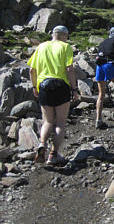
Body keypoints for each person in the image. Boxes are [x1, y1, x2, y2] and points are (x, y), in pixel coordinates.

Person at [28, 25, 79, 166]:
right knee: (61, 122)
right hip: (61, 86)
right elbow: (69, 69)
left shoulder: (41, 47)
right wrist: (74, 89)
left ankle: (42, 144)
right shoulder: (65, 47)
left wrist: (34, 86)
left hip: (43, 86)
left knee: (48, 121)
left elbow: (32, 70)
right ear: (64, 35)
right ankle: (53, 155)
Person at [95, 27, 114, 129]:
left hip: (99, 66)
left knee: (101, 94)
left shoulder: (103, 42)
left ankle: (98, 120)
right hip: (111, 65)